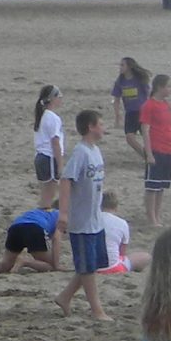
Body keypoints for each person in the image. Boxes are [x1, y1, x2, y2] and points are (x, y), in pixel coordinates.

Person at [54, 111, 113, 320]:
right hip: (81, 221)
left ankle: (65, 296)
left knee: (91, 264)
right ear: (91, 127)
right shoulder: (81, 152)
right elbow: (66, 179)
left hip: (95, 218)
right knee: (87, 268)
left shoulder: (95, 151)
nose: (104, 127)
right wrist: (63, 213)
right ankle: (97, 310)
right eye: (101, 123)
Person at [0, 204, 60, 274]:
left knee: (5, 266)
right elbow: (56, 239)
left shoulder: (41, 212)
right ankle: (25, 261)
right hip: (34, 228)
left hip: (15, 227)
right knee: (50, 266)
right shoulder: (61, 215)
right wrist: (56, 264)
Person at [139, 73, 171, 227]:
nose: (170, 89)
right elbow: (145, 130)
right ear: (159, 87)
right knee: (152, 186)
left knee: (161, 186)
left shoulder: (168, 105)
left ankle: (157, 215)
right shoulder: (149, 105)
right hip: (156, 149)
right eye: (168, 86)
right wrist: (148, 153)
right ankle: (151, 218)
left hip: (169, 149)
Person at [111, 57, 151, 165]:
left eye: (122, 65)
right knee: (130, 138)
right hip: (130, 113)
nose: (120, 67)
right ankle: (146, 156)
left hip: (142, 112)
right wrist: (117, 115)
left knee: (148, 136)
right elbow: (116, 99)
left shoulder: (139, 80)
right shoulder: (120, 81)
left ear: (129, 66)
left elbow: (149, 96)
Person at [32, 85, 65, 203]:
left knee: (45, 194)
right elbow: (55, 143)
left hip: (40, 157)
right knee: (49, 196)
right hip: (49, 158)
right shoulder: (53, 118)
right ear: (52, 99)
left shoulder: (42, 116)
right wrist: (60, 165)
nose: (61, 99)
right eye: (59, 96)